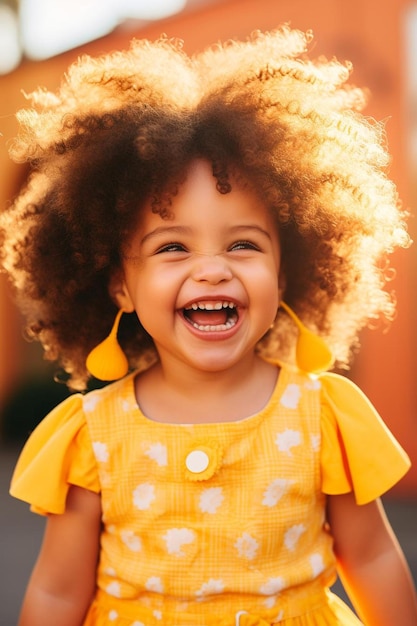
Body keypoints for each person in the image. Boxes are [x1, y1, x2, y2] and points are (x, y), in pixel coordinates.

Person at [1, 26, 416, 626]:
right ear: (120, 284)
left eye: (244, 244)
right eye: (173, 249)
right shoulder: (90, 439)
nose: (213, 271)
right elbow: (57, 593)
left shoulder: (325, 417)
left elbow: (374, 557)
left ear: (285, 270)